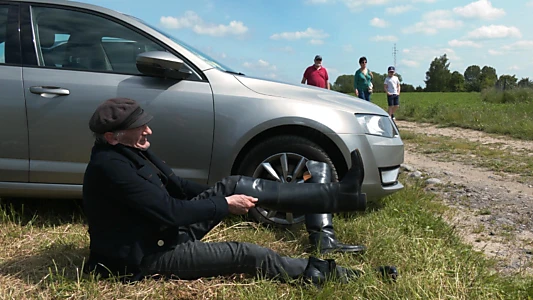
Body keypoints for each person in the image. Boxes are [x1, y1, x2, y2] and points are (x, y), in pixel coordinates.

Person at [82, 98, 397, 285]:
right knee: (249, 254)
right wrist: (224, 205)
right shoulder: (111, 168)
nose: (148, 130)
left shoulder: (132, 149)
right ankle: (343, 276)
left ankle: (337, 194)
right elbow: (171, 210)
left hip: (163, 231)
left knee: (233, 182)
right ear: (112, 136)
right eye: (140, 127)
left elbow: (178, 187)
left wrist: (220, 195)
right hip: (149, 255)